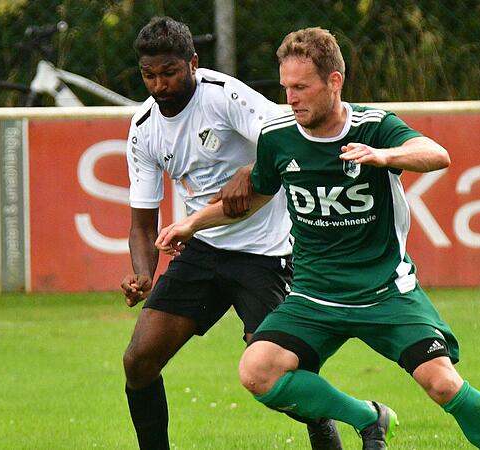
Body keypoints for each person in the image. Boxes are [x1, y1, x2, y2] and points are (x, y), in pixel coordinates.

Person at [155, 27, 480, 450]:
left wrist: (384, 156)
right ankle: (368, 415)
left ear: (334, 82)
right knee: (257, 371)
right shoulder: (278, 138)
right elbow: (254, 195)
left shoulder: (374, 126)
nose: (291, 98)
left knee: (441, 384)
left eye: (301, 87)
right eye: (286, 87)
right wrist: (191, 224)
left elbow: (437, 154)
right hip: (314, 295)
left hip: (384, 290)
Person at [121, 17, 344, 450]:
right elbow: (141, 223)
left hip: (266, 251)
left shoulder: (223, 96)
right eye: (149, 75)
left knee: (272, 375)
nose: (160, 84)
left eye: (169, 72)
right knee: (139, 360)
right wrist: (142, 273)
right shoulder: (143, 128)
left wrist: (250, 171)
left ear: (192, 63)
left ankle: (337, 427)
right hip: (204, 248)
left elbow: (286, 135)